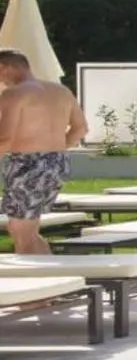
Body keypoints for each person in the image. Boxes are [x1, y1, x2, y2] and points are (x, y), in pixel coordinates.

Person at [0, 49, 87, 255]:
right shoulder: (61, 91)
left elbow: (4, 138)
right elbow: (80, 129)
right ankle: (51, 274)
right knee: (23, 229)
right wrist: (55, 149)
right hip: (57, 162)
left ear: (5, 68)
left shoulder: (14, 94)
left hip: (27, 164)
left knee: (23, 233)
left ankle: (38, 282)